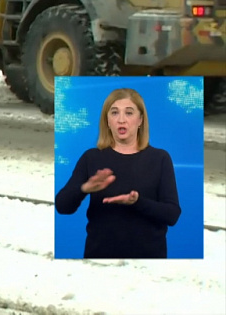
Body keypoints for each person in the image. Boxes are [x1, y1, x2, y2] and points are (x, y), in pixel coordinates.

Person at [55, 87, 182, 259]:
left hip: (148, 261)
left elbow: (172, 214)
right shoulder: (92, 157)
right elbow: (62, 206)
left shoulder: (160, 158)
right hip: (99, 259)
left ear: (140, 120)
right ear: (107, 121)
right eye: (114, 113)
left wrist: (137, 202)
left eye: (129, 113)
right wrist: (83, 188)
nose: (121, 120)